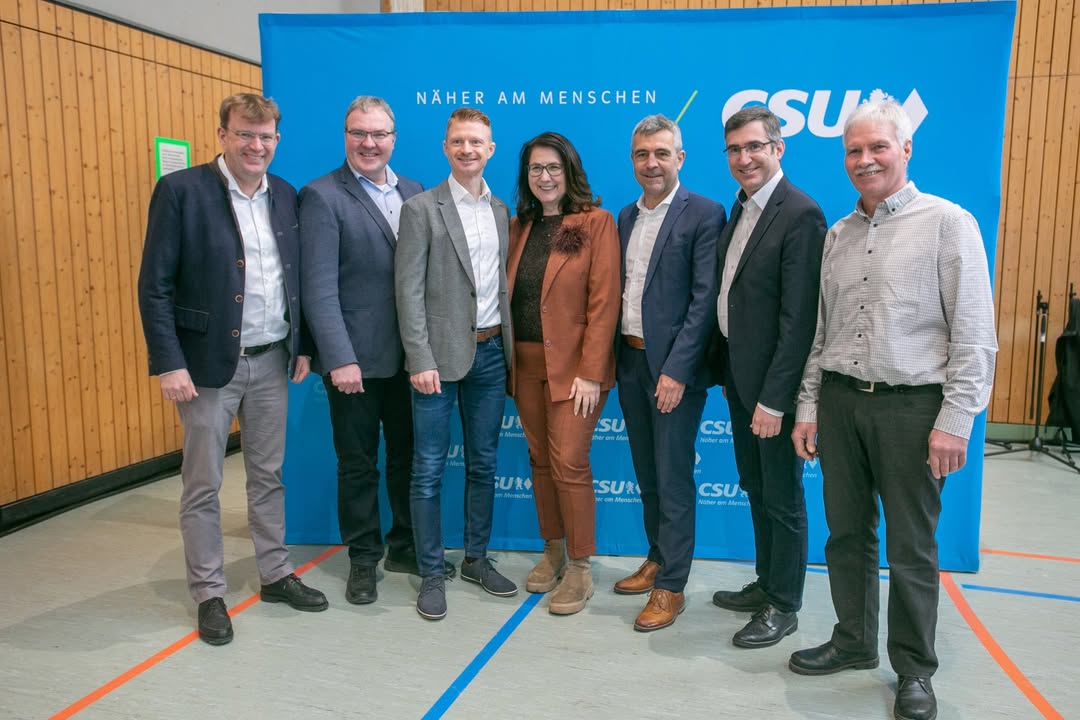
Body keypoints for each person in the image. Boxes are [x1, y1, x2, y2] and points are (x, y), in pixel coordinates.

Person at [789, 98, 997, 720]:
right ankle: (853, 640)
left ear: (906, 149)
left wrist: (955, 420)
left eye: (878, 146)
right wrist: (809, 405)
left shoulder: (949, 223)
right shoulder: (838, 234)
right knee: (847, 534)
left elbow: (975, 335)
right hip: (840, 401)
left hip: (913, 408)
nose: (865, 159)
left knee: (911, 546)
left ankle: (914, 670)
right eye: (854, 150)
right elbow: (821, 331)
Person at [137, 93, 328, 646]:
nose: (255, 145)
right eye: (245, 133)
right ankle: (209, 593)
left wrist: (302, 346)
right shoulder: (181, 192)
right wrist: (169, 362)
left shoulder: (285, 194)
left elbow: (295, 279)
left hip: (272, 360)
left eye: (265, 136)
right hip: (203, 368)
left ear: (277, 140)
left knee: (268, 476)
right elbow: (154, 286)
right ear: (222, 134)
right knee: (204, 483)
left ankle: (275, 573)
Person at [299, 96, 453, 607]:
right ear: (345, 135)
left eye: (379, 134)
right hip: (355, 365)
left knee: (409, 460)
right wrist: (339, 358)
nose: (369, 143)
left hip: (412, 360)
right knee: (358, 465)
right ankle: (363, 558)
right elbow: (319, 288)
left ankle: (405, 546)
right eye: (359, 133)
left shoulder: (415, 191)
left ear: (394, 138)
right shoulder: (322, 196)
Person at [709, 106, 826, 648]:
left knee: (782, 495)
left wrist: (776, 400)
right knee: (756, 487)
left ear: (778, 148)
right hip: (740, 380)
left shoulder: (800, 213)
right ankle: (766, 582)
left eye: (754, 146)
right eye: (735, 149)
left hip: (773, 392)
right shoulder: (741, 207)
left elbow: (799, 321)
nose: (744, 157)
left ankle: (785, 604)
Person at [395, 107, 516, 621]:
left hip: (491, 354)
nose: (468, 150)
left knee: (484, 464)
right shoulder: (420, 209)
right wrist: (419, 357)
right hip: (435, 363)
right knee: (427, 470)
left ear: (491, 149)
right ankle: (430, 571)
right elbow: (407, 290)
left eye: (477, 142)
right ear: (446, 147)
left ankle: (475, 559)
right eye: (459, 141)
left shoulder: (501, 210)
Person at [613, 114, 725, 631]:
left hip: (674, 371)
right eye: (642, 154)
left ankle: (672, 586)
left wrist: (678, 371)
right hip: (631, 361)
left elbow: (705, 301)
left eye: (661, 153)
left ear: (680, 158)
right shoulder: (625, 216)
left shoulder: (704, 213)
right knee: (647, 472)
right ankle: (657, 557)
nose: (651, 163)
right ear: (632, 160)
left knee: (673, 476)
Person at [507, 132, 621, 615]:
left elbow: (604, 300)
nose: (545, 176)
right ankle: (552, 548)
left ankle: (579, 565)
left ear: (569, 171)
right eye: (535, 168)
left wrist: (591, 371)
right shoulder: (519, 226)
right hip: (525, 364)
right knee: (539, 460)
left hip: (575, 370)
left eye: (553, 167)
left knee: (569, 461)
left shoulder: (596, 222)